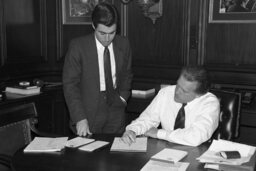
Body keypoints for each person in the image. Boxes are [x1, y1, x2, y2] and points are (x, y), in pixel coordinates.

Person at [63, 2, 133, 137]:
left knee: (115, 155)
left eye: (112, 33)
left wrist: (123, 98)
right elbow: (70, 86)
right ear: (93, 26)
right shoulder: (78, 47)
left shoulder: (124, 44)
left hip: (116, 108)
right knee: (86, 156)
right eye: (102, 33)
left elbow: (127, 75)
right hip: (87, 110)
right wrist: (79, 118)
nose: (107, 38)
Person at [121, 66, 220, 147]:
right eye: (178, 85)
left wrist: (159, 133)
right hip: (166, 152)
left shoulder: (210, 103)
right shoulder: (166, 93)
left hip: (196, 154)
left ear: (198, 95)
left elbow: (196, 137)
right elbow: (147, 119)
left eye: (184, 91)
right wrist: (132, 130)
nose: (176, 92)